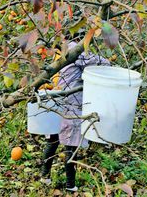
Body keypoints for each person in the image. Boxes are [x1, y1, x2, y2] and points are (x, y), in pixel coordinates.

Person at [39, 43, 110, 192]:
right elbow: (102, 63)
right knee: (70, 145)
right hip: (71, 102)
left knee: (53, 139)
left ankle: (44, 176)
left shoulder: (59, 49)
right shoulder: (76, 49)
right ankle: (70, 185)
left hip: (55, 98)